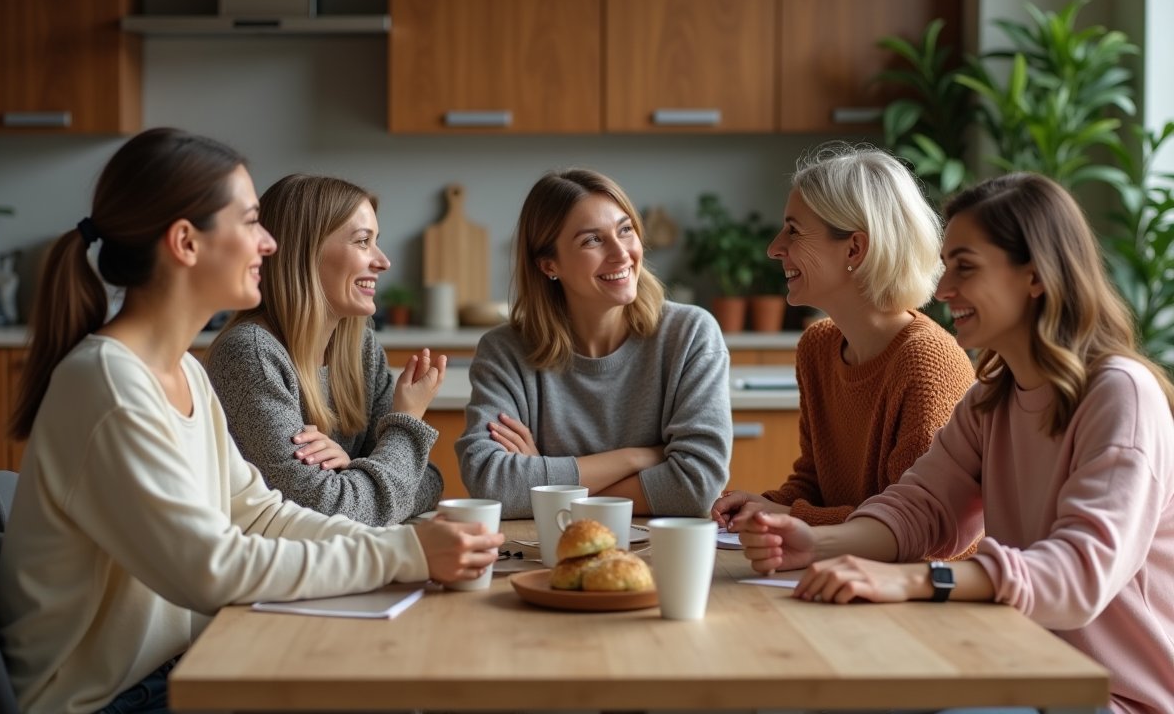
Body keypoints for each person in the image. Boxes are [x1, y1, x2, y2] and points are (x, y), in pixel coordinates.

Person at [0, 129, 502, 714]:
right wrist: (404, 555)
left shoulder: (183, 371)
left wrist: (403, 541)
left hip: (179, 668)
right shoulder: (109, 384)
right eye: (251, 222)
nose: (268, 244)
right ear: (186, 242)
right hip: (109, 700)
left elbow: (260, 512)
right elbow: (210, 569)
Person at [738, 173, 1174, 714]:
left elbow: (1078, 577)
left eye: (965, 268)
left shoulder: (1120, 396)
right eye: (947, 267)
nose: (943, 291)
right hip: (1018, 665)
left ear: (1034, 276)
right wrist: (818, 543)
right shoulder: (994, 394)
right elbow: (924, 506)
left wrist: (916, 581)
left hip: (1110, 696)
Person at [712, 144, 976, 530]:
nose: (774, 249)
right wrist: (763, 504)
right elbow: (814, 484)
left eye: (793, 231)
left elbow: (920, 528)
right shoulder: (817, 346)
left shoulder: (927, 364)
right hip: (837, 568)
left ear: (855, 248)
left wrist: (789, 515)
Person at [456, 168, 731, 519]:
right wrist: (640, 456)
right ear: (549, 264)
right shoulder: (505, 351)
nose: (621, 253)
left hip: (656, 555)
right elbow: (490, 484)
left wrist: (547, 485)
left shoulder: (690, 334)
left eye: (625, 230)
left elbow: (696, 489)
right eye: (592, 240)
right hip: (548, 551)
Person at [206, 174, 444, 527]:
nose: (382, 261)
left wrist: (351, 470)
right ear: (306, 252)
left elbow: (429, 480)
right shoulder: (250, 356)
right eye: (363, 242)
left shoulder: (359, 344)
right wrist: (405, 425)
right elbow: (330, 514)